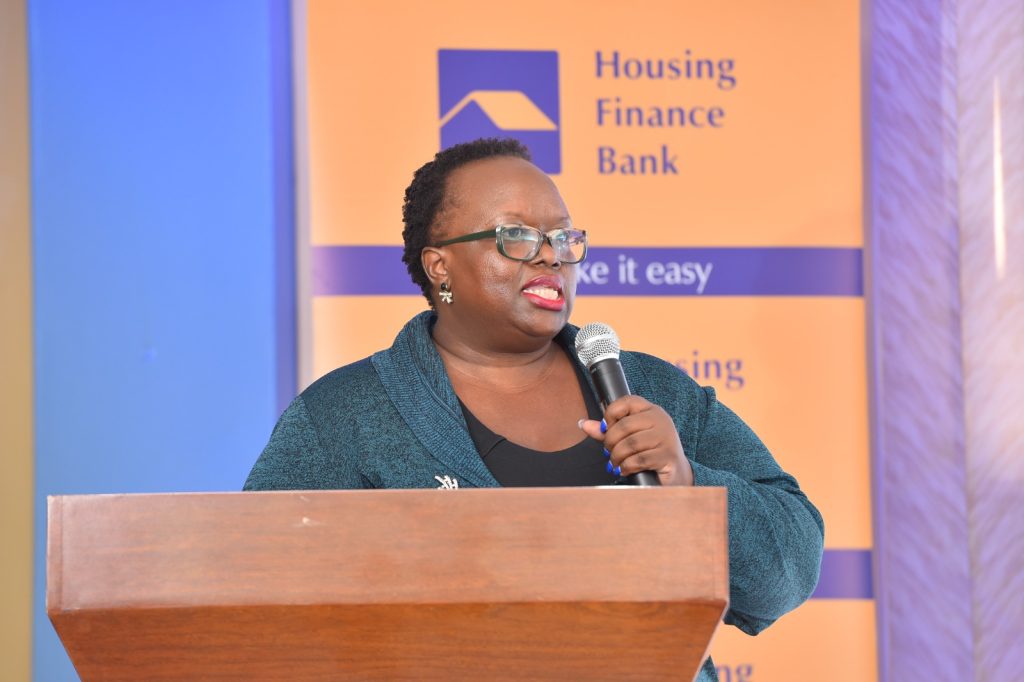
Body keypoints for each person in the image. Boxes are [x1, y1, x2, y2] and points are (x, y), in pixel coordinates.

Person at [244, 137, 824, 681]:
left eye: (563, 238)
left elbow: (789, 575)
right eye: (516, 236)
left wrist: (690, 482)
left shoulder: (652, 390)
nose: (551, 256)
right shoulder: (347, 414)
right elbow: (258, 599)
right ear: (440, 265)